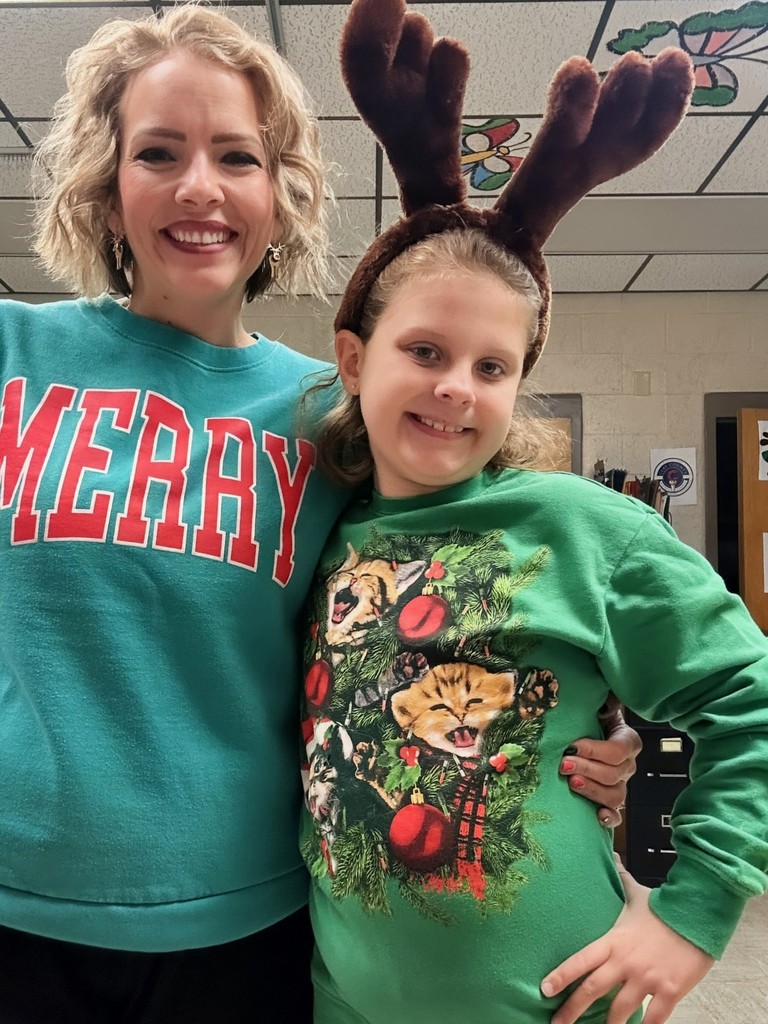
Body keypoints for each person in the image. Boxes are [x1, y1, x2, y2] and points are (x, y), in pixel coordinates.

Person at [0, 5, 636, 1022]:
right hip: (19, 907)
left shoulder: (333, 419)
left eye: (236, 157)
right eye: (158, 151)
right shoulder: (13, 358)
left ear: (280, 194)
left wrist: (592, 729)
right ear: (106, 188)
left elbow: (468, 598)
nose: (198, 186)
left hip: (249, 922)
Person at [297, 3, 768, 1023]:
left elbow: (747, 698)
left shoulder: (583, 527)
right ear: (353, 359)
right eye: (425, 349)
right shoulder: (319, 527)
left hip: (553, 1000)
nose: (456, 384)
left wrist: (692, 913)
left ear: (519, 385)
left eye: (492, 365)